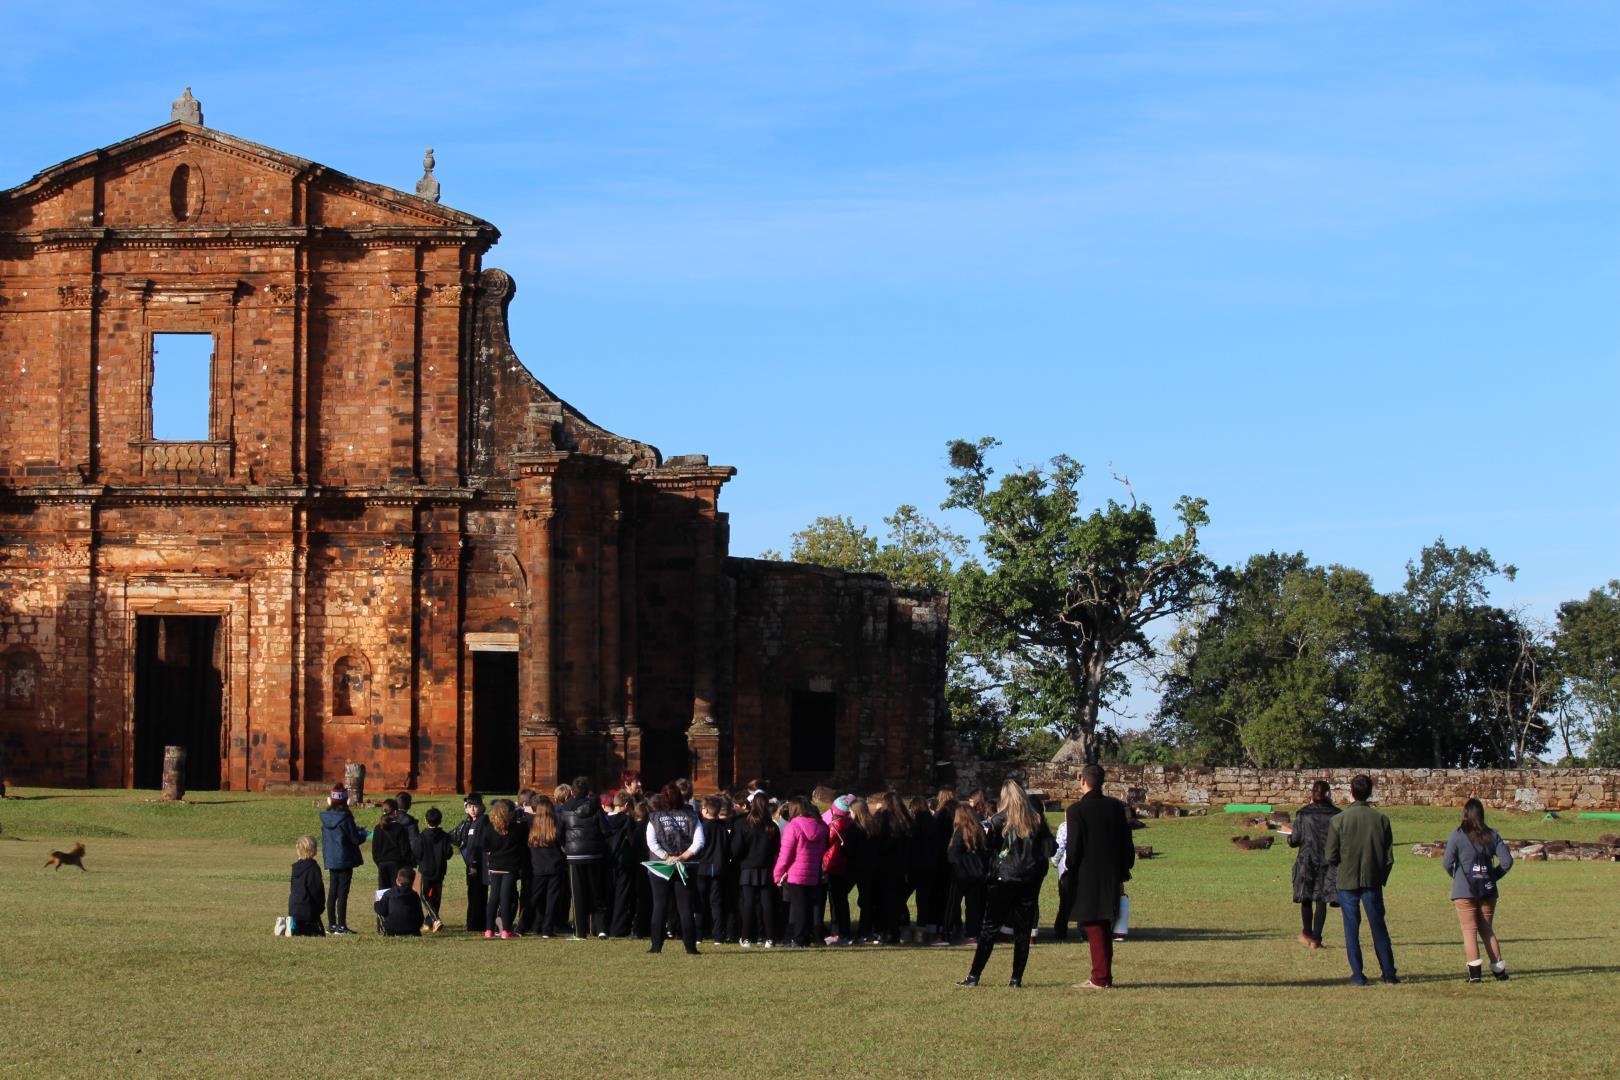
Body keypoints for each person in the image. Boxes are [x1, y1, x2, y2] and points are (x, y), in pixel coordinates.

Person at [958, 779, 1051, 988]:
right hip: (1028, 879)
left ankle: (974, 975)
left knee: (989, 928)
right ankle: (1016, 978)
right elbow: (1049, 847)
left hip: (1004, 878)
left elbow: (987, 847)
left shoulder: (999, 820)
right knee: (1023, 931)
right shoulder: (1035, 819)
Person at [1064, 764, 1135, 990]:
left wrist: (1069, 866)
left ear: (1082, 780)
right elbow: (1127, 841)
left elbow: (1074, 847)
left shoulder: (1076, 810)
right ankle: (1102, 975)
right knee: (1104, 924)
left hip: (1088, 873)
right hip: (1112, 872)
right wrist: (1124, 867)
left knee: (1095, 924)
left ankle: (1100, 977)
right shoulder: (1115, 807)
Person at [1326, 774, 1398, 986]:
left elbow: (1330, 855)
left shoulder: (1338, 820)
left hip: (1347, 880)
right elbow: (1389, 858)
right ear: (1370, 792)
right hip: (1372, 880)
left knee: (1351, 928)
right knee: (1378, 927)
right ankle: (1388, 972)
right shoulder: (1381, 820)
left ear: (1351, 791)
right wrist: (1379, 877)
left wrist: (1342, 866)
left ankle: (1358, 974)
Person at [1443, 797, 1513, 982]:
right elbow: (1507, 862)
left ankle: (1474, 973)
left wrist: (1457, 877)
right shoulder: (1493, 835)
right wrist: (1492, 876)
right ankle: (1499, 970)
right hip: (1487, 890)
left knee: (1469, 930)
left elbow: (1447, 863)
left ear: (1465, 814)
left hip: (1464, 890)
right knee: (1486, 929)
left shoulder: (1457, 835)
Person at [646, 782, 705, 955]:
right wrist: (682, 857)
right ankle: (690, 948)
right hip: (685, 866)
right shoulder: (693, 816)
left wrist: (666, 857)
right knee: (686, 907)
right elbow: (699, 842)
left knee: (659, 906)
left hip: (660, 867)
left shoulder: (655, 818)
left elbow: (651, 842)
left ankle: (656, 947)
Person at [1288, 780, 1340, 950]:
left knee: (1307, 897)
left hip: (1307, 859)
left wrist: (1290, 834)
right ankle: (1316, 937)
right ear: (1328, 793)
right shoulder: (1337, 815)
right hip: (1327, 860)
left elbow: (1294, 840)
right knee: (1321, 899)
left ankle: (1307, 932)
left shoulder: (1303, 814)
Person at [773, 794, 829, 948]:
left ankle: (798, 938)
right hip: (813, 870)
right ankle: (806, 936)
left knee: (798, 907)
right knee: (809, 906)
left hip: (796, 872)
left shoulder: (793, 826)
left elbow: (786, 854)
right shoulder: (821, 826)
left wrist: (778, 873)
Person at [558, 777, 611, 939]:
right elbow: (606, 830)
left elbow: (560, 833)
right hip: (594, 854)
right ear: (588, 791)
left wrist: (565, 847)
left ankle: (580, 932)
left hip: (574, 855)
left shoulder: (565, 808)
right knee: (597, 891)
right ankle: (600, 928)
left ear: (572, 792)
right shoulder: (596, 807)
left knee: (578, 893)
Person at [732, 790, 781, 947]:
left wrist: (739, 859)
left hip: (747, 867)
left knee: (748, 903)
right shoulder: (772, 826)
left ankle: (745, 937)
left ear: (752, 805)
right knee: (767, 903)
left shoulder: (744, 824)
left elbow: (737, 848)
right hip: (766, 867)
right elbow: (776, 849)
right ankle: (770, 938)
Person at [318, 786, 368, 936]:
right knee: (343, 892)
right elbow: (354, 839)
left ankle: (332, 925)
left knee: (333, 891)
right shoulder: (346, 817)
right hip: (345, 858)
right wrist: (363, 834)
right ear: (345, 800)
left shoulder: (326, 816)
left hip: (332, 858)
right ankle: (341, 926)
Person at [945, 804, 989, 945]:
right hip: (976, 874)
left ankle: (947, 932)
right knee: (973, 906)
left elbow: (953, 855)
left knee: (953, 904)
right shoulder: (979, 831)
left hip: (961, 874)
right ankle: (972, 934)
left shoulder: (959, 832)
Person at [525, 794, 567, 937]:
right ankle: (547, 929)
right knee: (552, 899)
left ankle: (522, 927)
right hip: (555, 866)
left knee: (534, 898)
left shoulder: (532, 827)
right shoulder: (556, 827)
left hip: (538, 868)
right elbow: (563, 847)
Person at [691, 794, 731, 942]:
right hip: (718, 867)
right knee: (716, 902)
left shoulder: (702, 828)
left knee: (700, 901)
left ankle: (699, 934)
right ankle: (718, 935)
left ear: (706, 810)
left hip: (702, 867)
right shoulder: (723, 828)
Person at [483, 799, 526, 938]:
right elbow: (522, 843)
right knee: (505, 898)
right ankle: (506, 930)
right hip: (510, 866)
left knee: (493, 898)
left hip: (495, 866)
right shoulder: (515, 828)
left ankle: (489, 929)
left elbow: (485, 846)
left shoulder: (489, 827)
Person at [823, 795, 860, 945]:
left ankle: (837, 931)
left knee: (835, 901)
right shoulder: (853, 825)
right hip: (847, 866)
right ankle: (844, 930)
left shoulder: (834, 826)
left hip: (833, 864)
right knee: (842, 899)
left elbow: (826, 842)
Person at [450, 793, 490, 933]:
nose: (473, 809)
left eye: (476, 806)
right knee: (473, 895)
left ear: (481, 807)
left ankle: (477, 924)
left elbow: (477, 846)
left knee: (477, 895)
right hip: (472, 865)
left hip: (477, 866)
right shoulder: (471, 822)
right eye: (470, 806)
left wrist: (473, 864)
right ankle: (473, 923)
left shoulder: (482, 821)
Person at [603, 790, 640, 937]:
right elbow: (632, 842)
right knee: (622, 896)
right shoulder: (627, 820)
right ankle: (618, 928)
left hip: (606, 861)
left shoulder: (604, 819)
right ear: (626, 806)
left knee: (608, 895)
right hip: (623, 861)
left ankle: (604, 926)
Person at [415, 807, 452, 922]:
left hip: (425, 870)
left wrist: (419, 862)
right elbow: (448, 854)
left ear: (426, 820)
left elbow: (417, 853)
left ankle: (435, 919)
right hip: (440, 869)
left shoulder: (421, 837)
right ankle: (430, 920)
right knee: (436, 896)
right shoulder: (445, 836)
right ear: (440, 821)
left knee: (423, 895)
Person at [287, 835, 326, 937]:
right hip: (308, 911)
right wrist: (321, 907)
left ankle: (293, 927)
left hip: (294, 908)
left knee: (299, 929)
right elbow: (317, 891)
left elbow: (293, 888)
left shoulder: (295, 868)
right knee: (317, 933)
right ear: (314, 850)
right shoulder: (313, 868)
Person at [370, 798, 412, 892]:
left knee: (383, 893)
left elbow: (375, 850)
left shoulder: (378, 828)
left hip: (382, 864)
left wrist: (379, 862)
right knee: (396, 892)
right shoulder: (400, 828)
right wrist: (405, 864)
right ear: (396, 812)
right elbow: (404, 849)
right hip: (396, 864)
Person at [373, 867, 426, 936]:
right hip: (412, 928)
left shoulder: (388, 893)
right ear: (413, 882)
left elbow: (381, 910)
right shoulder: (415, 895)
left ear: (397, 881)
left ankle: (383, 931)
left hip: (392, 929)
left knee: (379, 907)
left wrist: (376, 903)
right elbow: (420, 915)